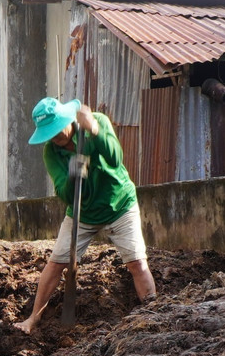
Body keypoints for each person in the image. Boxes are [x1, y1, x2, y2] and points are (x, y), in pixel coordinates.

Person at [14, 97, 155, 335]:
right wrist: (73, 175)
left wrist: (95, 131)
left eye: (56, 130)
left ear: (66, 120)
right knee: (56, 262)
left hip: (119, 204)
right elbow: (65, 194)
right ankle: (33, 318)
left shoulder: (96, 122)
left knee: (137, 262)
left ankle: (153, 315)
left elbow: (115, 159)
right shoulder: (51, 152)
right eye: (49, 134)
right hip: (82, 213)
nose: (54, 137)